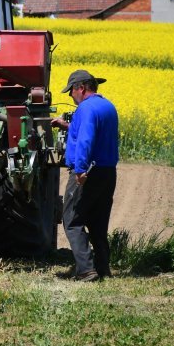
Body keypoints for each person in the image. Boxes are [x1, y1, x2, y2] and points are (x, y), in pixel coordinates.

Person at [51, 69, 119, 282]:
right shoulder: (108, 106)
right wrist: (66, 126)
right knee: (98, 221)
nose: (70, 96)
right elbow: (91, 132)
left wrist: (80, 170)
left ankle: (86, 270)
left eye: (71, 91)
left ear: (80, 88)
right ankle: (102, 267)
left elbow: (86, 141)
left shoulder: (86, 109)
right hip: (107, 172)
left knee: (71, 218)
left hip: (87, 171)